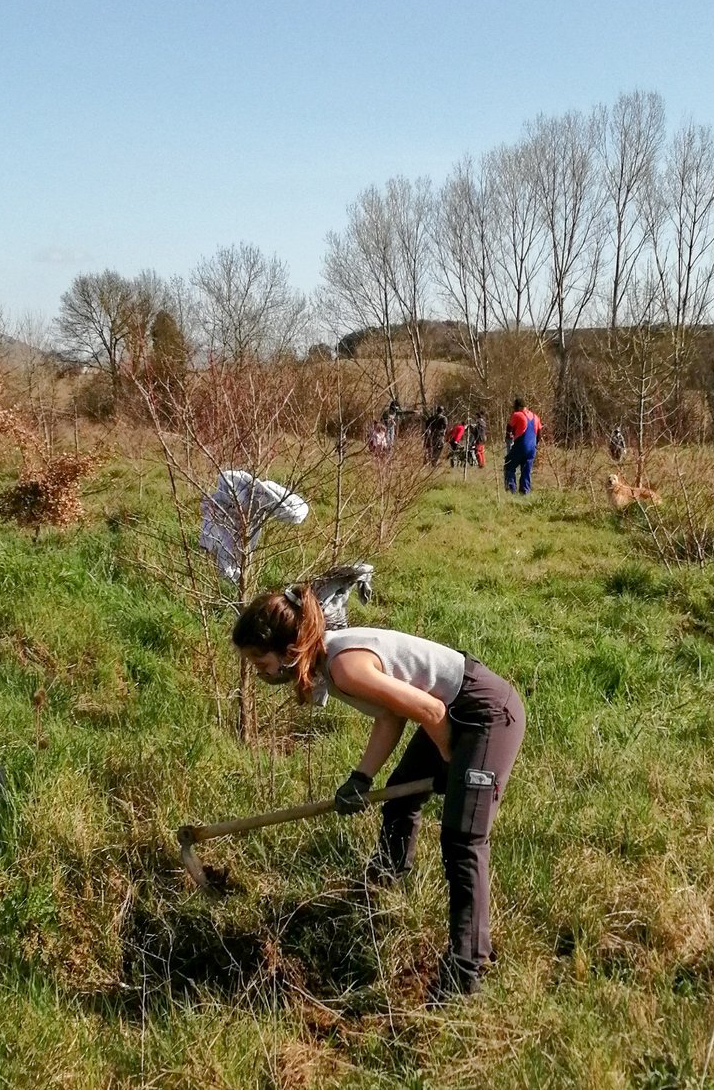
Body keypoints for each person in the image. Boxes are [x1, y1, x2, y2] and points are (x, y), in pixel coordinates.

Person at [233, 586, 526, 1002]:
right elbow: (392, 712)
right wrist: (362, 779)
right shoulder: (331, 662)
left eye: (262, 663)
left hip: (484, 713)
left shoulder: (344, 667)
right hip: (450, 707)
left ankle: (466, 970)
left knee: (463, 840)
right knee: (400, 801)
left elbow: (430, 712)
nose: (261, 674)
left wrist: (449, 760)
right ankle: (383, 889)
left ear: (290, 650)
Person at [504, 397, 541, 495]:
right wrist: (535, 446)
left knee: (509, 465)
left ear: (518, 406)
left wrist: (508, 437)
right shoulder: (536, 417)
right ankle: (525, 491)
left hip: (521, 445)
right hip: (532, 448)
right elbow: (539, 434)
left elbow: (509, 427)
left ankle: (511, 489)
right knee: (526, 470)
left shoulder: (517, 415)